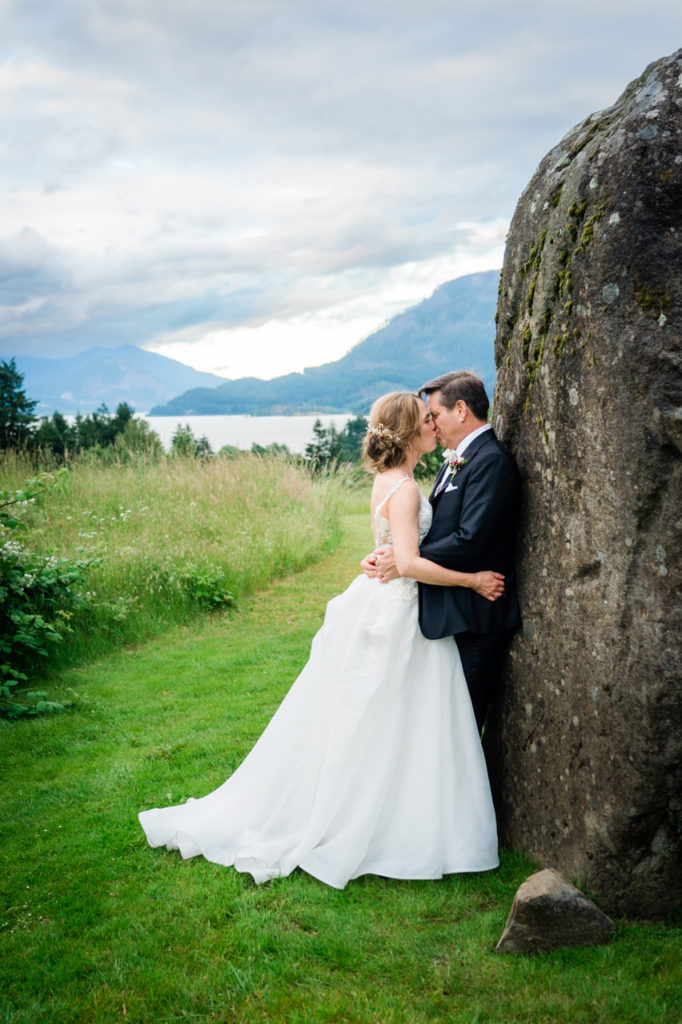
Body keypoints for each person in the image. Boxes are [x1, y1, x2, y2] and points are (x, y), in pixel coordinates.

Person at [138, 391, 503, 889]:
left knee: (381, 714)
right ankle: (384, 822)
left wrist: (380, 557)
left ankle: (391, 813)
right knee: (397, 713)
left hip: (384, 602)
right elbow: (411, 563)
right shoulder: (408, 489)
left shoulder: (388, 482)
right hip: (400, 609)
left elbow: (390, 549)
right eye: (425, 420)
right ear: (408, 431)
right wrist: (474, 580)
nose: (433, 426)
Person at [363, 372, 521, 733]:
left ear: (461, 410)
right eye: (427, 418)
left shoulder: (490, 460)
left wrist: (404, 561)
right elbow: (425, 531)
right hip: (447, 610)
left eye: (434, 414)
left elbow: (469, 539)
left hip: (477, 614)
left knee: (459, 725)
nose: (432, 424)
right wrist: (392, 554)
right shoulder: (455, 460)